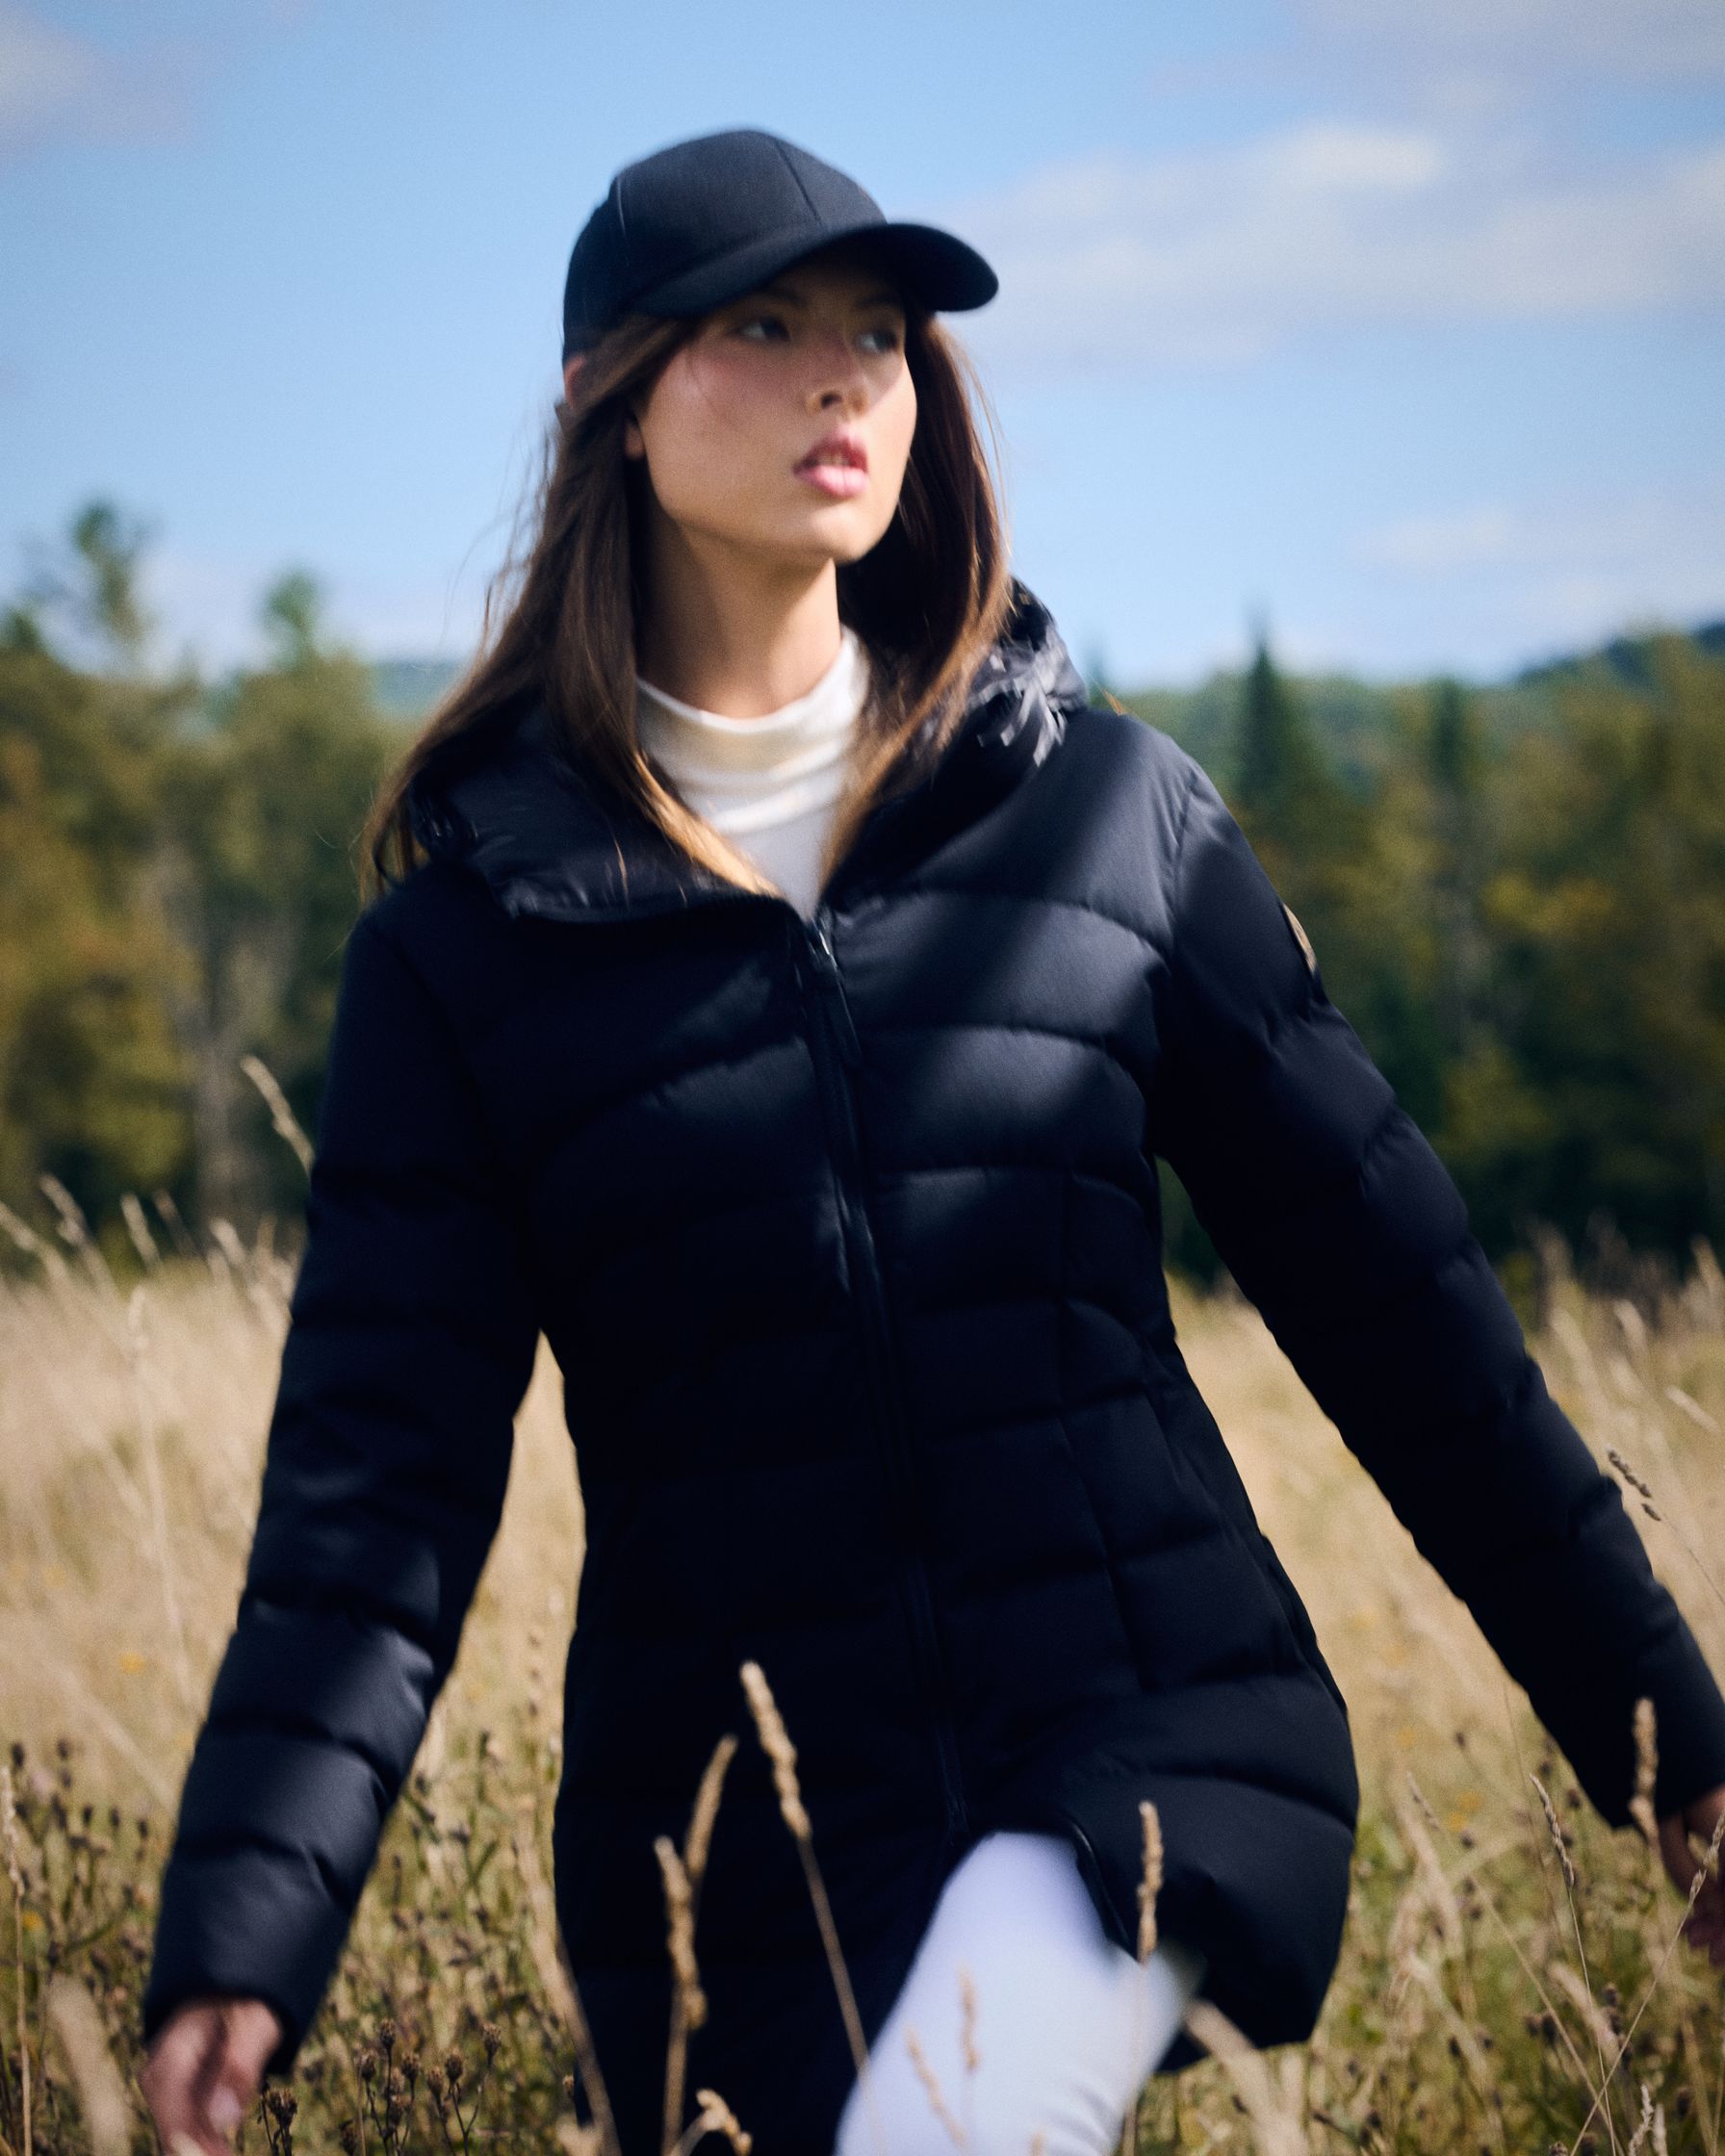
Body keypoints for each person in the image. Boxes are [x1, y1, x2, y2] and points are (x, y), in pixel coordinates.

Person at [139, 126, 1725, 2156]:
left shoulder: (1108, 823)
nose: (840, 379)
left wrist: (1669, 1739)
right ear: (604, 400)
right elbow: (377, 1495)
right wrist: (245, 1929)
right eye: (765, 326)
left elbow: (1403, 1315)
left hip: (1141, 1743)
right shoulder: (467, 948)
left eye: (876, 336)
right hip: (734, 1855)